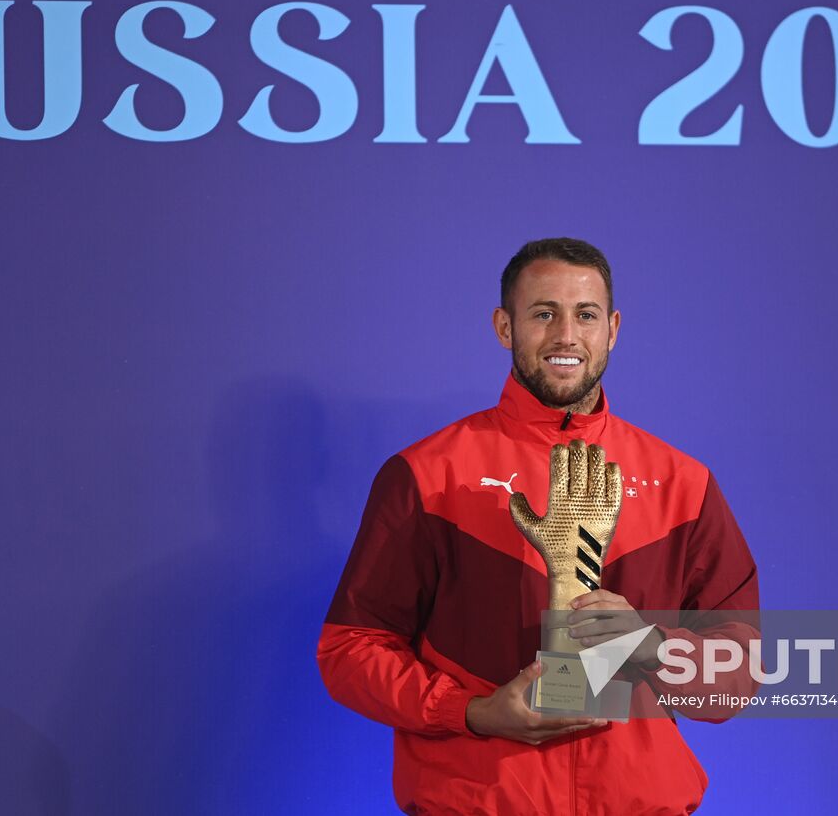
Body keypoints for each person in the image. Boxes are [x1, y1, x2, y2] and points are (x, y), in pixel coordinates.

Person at [318, 238, 759, 815]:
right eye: (543, 314)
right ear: (505, 327)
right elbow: (350, 650)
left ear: (614, 328)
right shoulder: (429, 476)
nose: (566, 336)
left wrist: (651, 646)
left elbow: (737, 674)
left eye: (586, 315)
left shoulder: (684, 483)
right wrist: (473, 713)